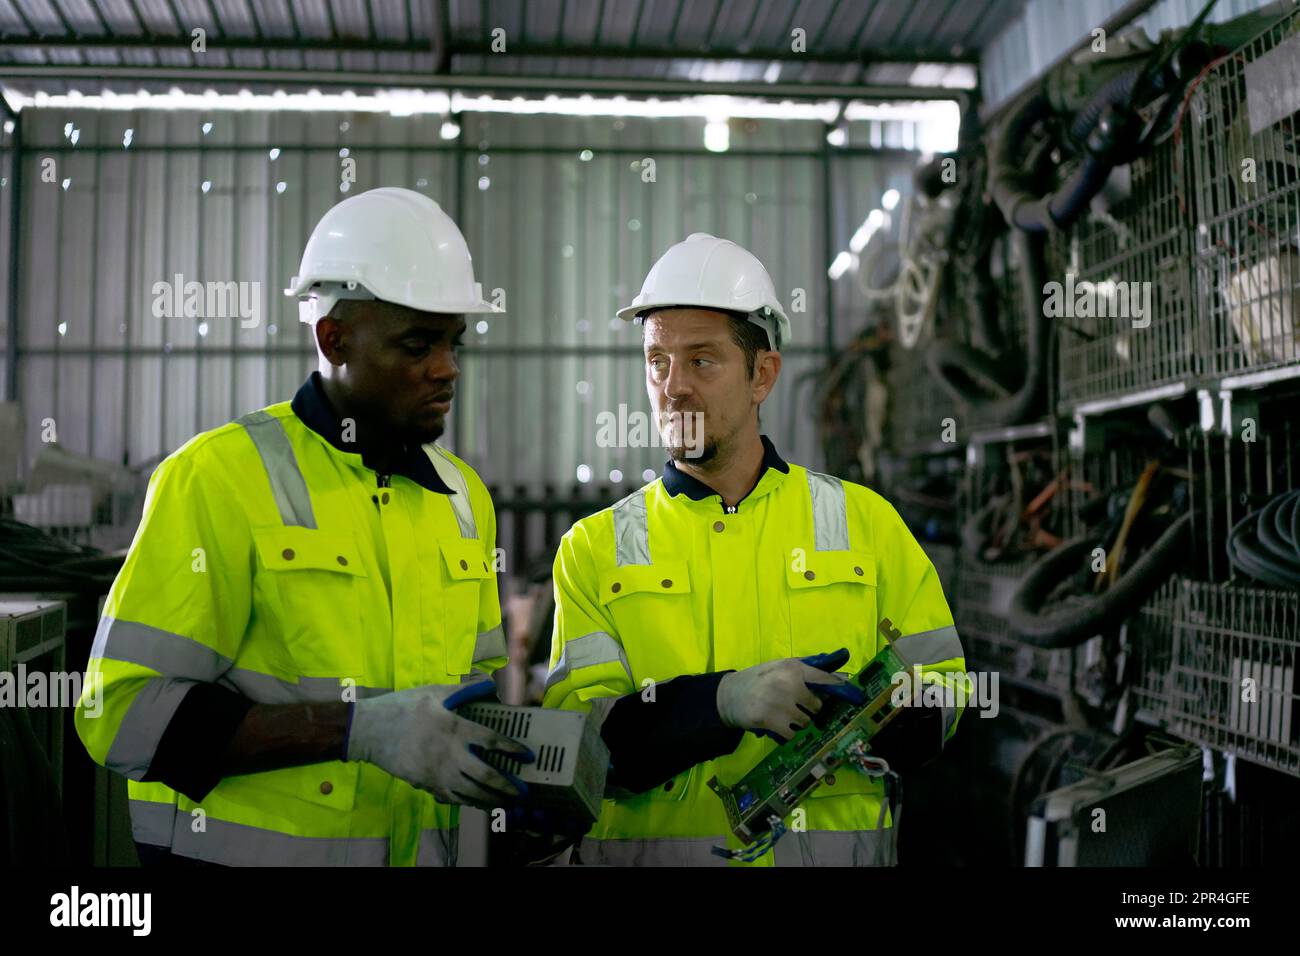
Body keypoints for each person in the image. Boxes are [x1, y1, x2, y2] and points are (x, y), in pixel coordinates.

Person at [75, 187, 531, 866]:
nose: (446, 368)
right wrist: (355, 732)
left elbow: (479, 689)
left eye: (452, 343)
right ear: (334, 338)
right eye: (417, 345)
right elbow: (121, 717)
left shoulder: (462, 498)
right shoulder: (219, 477)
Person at [544, 233, 968, 866]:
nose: (674, 386)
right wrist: (721, 704)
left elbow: (947, 687)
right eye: (657, 360)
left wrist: (885, 713)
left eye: (702, 360)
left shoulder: (865, 523)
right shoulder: (594, 550)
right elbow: (583, 749)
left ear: (762, 374)